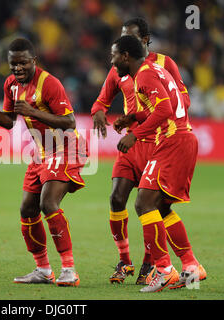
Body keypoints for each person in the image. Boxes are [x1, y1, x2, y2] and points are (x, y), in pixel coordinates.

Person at [91, 17, 198, 285]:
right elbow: (102, 100)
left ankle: (156, 265)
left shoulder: (158, 67)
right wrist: (104, 114)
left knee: (151, 205)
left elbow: (174, 103)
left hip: (162, 139)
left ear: (143, 41)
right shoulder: (126, 71)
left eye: (132, 38)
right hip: (139, 138)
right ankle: (132, 261)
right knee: (121, 199)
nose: (113, 60)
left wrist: (143, 124)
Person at [0, 38, 88, 287]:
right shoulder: (11, 85)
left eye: (23, 63)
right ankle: (43, 270)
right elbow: (10, 121)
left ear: (34, 61)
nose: (18, 69)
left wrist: (33, 112)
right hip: (41, 152)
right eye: (13, 64)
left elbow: (70, 122)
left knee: (48, 203)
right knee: (27, 210)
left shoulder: (49, 83)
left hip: (66, 148)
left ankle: (69, 269)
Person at [112, 35, 205, 292]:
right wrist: (132, 116)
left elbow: (163, 112)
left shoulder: (144, 76)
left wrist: (135, 134)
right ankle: (190, 265)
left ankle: (164, 269)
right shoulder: (155, 69)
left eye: (114, 56)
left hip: (172, 141)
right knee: (160, 206)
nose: (112, 61)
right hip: (182, 138)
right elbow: (167, 106)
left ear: (126, 56)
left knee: (143, 203)